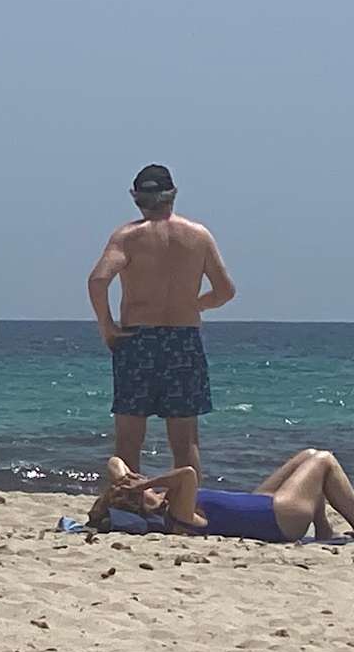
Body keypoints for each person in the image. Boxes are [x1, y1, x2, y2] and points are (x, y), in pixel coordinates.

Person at [86, 164, 235, 477]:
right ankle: (186, 501)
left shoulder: (128, 237)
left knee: (129, 438)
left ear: (136, 197)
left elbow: (98, 280)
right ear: (173, 194)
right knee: (185, 440)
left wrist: (107, 327)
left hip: (137, 339)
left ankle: (131, 500)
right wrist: (195, 304)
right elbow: (225, 291)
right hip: (183, 338)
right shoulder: (198, 236)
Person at [91, 450, 354, 542]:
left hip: (262, 505)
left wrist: (126, 482)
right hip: (278, 518)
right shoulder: (176, 514)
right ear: (141, 501)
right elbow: (188, 474)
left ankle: (324, 531)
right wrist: (146, 483)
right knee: (323, 460)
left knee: (308, 456)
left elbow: (115, 462)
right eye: (143, 490)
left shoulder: (168, 500)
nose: (145, 485)